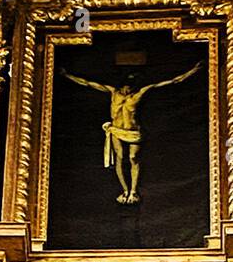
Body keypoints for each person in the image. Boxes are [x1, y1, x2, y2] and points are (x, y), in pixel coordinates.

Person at [61, 61, 203, 204]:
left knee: (133, 158)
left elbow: (172, 81)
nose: (127, 91)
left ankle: (133, 191)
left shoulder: (139, 94)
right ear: (121, 86)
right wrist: (67, 75)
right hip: (116, 130)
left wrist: (193, 70)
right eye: (125, 88)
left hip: (133, 132)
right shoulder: (112, 92)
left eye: (130, 88)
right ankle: (125, 190)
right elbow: (87, 83)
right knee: (120, 158)